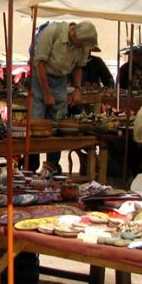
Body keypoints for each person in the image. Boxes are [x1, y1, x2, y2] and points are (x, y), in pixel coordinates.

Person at [31, 20, 99, 174]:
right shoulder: (52, 32)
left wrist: (77, 89)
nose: (82, 47)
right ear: (73, 33)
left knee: (58, 123)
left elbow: (78, 67)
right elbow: (39, 64)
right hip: (41, 75)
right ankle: (31, 165)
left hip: (61, 79)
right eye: (80, 43)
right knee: (37, 123)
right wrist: (47, 93)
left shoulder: (82, 45)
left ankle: (52, 167)